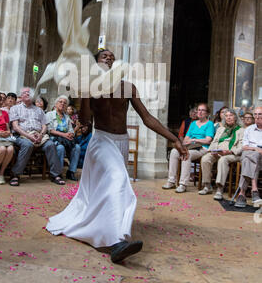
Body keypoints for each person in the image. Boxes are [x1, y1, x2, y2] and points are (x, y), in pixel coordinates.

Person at [46, 49, 188, 264]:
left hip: (121, 142)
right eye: (104, 56)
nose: (109, 57)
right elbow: (85, 120)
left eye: (112, 56)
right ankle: (117, 242)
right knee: (117, 180)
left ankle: (107, 227)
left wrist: (173, 139)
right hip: (101, 141)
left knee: (109, 188)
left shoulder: (128, 87)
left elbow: (147, 117)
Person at [8, 87, 65, 186]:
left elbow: (44, 125)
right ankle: (15, 174)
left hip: (39, 135)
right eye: (24, 93)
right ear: (21, 96)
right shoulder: (15, 108)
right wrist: (29, 136)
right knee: (27, 145)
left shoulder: (39, 110)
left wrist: (41, 134)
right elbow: (15, 127)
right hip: (22, 135)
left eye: (29, 93)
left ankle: (55, 175)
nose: (27, 94)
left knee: (50, 145)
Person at [163, 103, 215, 193]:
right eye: (199, 110)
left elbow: (208, 140)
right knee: (174, 152)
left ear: (207, 113)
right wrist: (191, 141)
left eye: (203, 110)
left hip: (202, 148)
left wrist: (194, 140)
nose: (200, 112)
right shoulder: (193, 123)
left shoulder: (210, 124)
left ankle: (183, 184)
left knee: (187, 154)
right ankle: (171, 181)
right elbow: (186, 139)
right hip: (190, 146)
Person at [199, 109, 244, 199]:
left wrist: (230, 151)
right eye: (226, 116)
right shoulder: (221, 129)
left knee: (223, 160)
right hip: (218, 152)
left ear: (235, 117)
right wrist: (212, 151)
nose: (228, 117)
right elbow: (214, 142)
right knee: (205, 158)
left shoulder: (241, 130)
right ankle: (207, 186)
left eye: (231, 115)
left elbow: (242, 147)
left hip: (233, 154)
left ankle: (220, 189)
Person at [46, 95, 81, 181]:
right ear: (56, 103)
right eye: (60, 102)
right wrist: (63, 135)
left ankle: (71, 172)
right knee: (60, 148)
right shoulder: (49, 114)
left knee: (77, 147)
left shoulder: (67, 117)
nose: (62, 104)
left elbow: (71, 130)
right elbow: (50, 130)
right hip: (54, 139)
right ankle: (58, 172)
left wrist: (71, 134)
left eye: (65, 103)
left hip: (66, 140)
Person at [234, 106, 262, 208]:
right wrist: (255, 149)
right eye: (256, 114)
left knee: (247, 160)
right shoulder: (249, 129)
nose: (258, 117)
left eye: (260, 114)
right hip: (250, 152)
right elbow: (244, 147)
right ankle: (254, 190)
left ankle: (242, 193)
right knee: (251, 156)